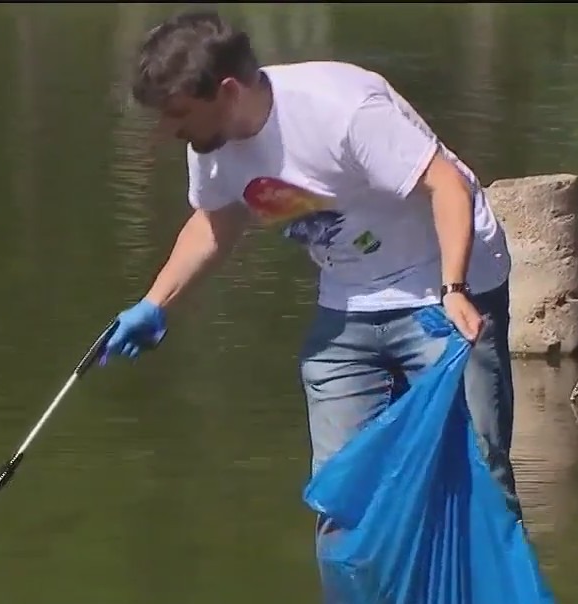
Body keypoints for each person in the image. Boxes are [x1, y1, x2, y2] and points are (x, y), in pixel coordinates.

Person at [102, 8, 523, 546]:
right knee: (341, 496)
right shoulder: (211, 145)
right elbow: (216, 220)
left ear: (227, 91)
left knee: (479, 477)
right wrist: (155, 303)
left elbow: (447, 186)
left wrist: (455, 289)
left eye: (178, 114)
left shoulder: (341, 109)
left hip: (443, 288)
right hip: (347, 306)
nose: (170, 131)